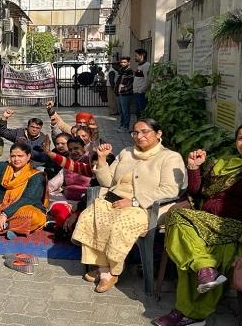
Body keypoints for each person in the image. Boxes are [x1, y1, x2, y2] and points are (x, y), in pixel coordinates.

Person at [72, 119, 186, 293]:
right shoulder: (126, 152)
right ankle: (104, 267)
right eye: (135, 133)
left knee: (119, 224)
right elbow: (108, 182)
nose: (139, 136)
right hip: (115, 200)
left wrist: (134, 201)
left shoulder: (170, 157)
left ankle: (112, 271)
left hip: (146, 208)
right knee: (89, 216)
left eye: (145, 132)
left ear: (159, 133)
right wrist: (102, 160)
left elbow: (170, 189)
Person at [153, 125, 242, 326]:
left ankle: (190, 312)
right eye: (240, 138)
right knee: (187, 240)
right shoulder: (222, 162)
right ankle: (205, 273)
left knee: (198, 237)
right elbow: (196, 192)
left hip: (232, 227)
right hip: (203, 221)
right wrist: (194, 167)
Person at [115, 57, 134, 133]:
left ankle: (125, 127)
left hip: (126, 94)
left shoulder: (130, 71)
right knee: (121, 111)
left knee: (125, 111)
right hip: (120, 94)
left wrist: (124, 89)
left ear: (128, 63)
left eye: (124, 62)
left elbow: (132, 83)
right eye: (122, 62)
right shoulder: (121, 70)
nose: (122, 63)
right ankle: (122, 125)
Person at [133, 48, 151, 119]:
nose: (135, 57)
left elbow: (148, 80)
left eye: (136, 56)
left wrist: (140, 90)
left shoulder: (146, 65)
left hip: (141, 93)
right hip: (137, 93)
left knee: (142, 113)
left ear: (142, 55)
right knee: (138, 113)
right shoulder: (140, 65)